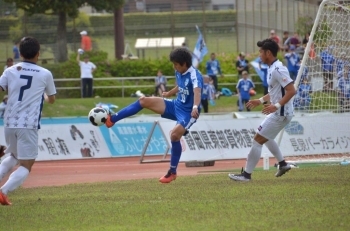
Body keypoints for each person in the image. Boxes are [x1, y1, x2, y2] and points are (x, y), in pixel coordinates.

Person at [105, 47, 203, 184]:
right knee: (143, 100)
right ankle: (112, 119)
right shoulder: (179, 71)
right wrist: (170, 93)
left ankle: (172, 172)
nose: (174, 66)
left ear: (185, 63)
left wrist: (194, 107)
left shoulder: (195, 75)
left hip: (189, 113)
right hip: (175, 105)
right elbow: (181, 85)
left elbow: (197, 91)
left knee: (175, 135)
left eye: (176, 64)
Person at [228, 38, 296, 182]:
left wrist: (276, 106)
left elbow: (291, 90)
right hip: (278, 112)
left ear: (268, 53)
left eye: (261, 52)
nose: (259, 54)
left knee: (257, 140)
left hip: (281, 113)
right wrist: (259, 101)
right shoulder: (272, 68)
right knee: (265, 137)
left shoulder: (278, 69)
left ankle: (246, 175)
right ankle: (282, 164)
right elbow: (275, 91)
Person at [0, 36, 56, 205]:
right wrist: (44, 95)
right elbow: (51, 99)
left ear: (21, 54)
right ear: (38, 54)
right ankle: (3, 192)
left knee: (14, 156)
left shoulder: (10, 70)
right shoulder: (45, 74)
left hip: (9, 122)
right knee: (27, 163)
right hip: (28, 124)